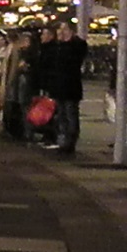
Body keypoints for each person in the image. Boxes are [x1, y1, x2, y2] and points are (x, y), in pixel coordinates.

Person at [48, 20, 88, 154]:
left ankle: (71, 142)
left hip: (71, 85)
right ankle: (63, 141)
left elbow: (73, 61)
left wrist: (66, 43)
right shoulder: (58, 45)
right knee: (62, 115)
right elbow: (53, 60)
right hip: (59, 85)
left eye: (64, 29)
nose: (61, 32)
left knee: (70, 113)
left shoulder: (78, 44)